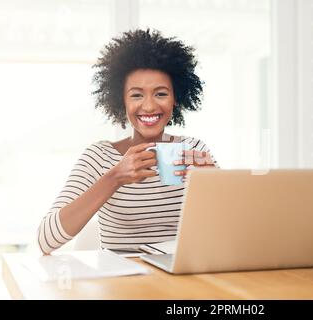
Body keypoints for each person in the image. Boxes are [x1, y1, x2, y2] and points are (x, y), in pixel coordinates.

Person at [37, 29, 218, 255]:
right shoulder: (100, 157)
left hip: (180, 279)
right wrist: (114, 177)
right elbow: (46, 241)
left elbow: (231, 233)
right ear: (121, 101)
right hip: (121, 281)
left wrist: (213, 185)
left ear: (175, 99)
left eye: (161, 94)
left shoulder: (194, 150)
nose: (150, 106)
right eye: (136, 95)